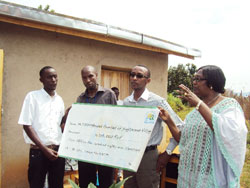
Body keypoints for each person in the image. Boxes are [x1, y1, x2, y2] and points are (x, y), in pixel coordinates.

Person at [158, 65, 248, 188]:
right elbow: (182, 138)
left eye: (198, 79)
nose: (194, 83)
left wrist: (198, 103)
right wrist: (168, 120)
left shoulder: (229, 106)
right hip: (188, 176)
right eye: (194, 79)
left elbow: (230, 132)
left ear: (211, 83)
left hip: (210, 177)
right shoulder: (195, 112)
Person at [123, 65, 183, 188]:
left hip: (148, 157)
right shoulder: (126, 102)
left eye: (139, 76)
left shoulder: (157, 102)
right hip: (129, 155)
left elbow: (180, 126)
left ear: (148, 80)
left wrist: (168, 152)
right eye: (132, 75)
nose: (134, 78)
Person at [18, 66, 65, 188]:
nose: (53, 79)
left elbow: (59, 125)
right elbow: (26, 125)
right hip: (38, 152)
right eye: (49, 77)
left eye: (55, 76)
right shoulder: (32, 97)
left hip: (57, 152)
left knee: (57, 185)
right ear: (41, 80)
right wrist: (45, 149)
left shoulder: (59, 100)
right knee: (36, 184)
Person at [75, 65, 117, 188]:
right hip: (85, 149)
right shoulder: (80, 99)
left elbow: (115, 121)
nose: (88, 80)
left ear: (96, 75)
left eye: (90, 76)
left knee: (106, 183)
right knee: (87, 184)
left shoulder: (109, 95)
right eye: (84, 77)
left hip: (105, 148)